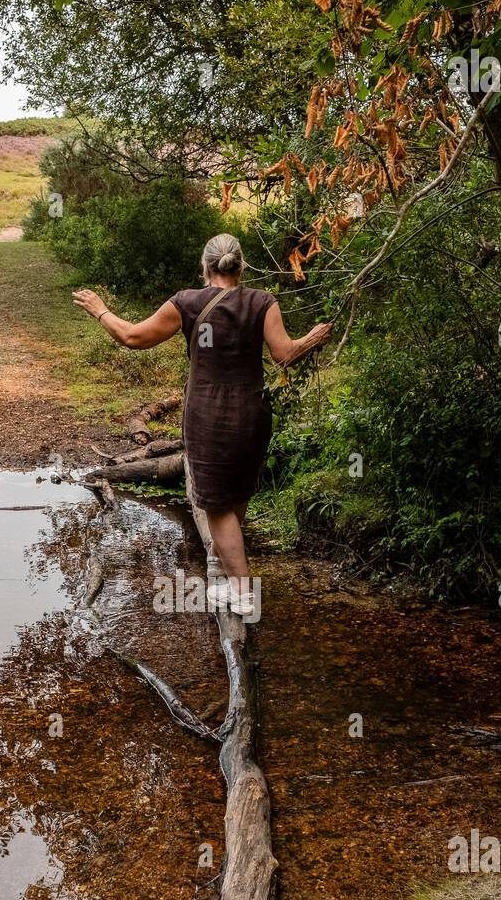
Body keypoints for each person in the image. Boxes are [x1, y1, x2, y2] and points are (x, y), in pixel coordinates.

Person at [73, 233, 332, 616]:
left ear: (205, 266)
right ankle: (225, 574)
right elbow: (285, 355)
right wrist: (312, 337)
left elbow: (132, 337)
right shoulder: (263, 302)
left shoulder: (187, 302)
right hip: (253, 414)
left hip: (209, 415)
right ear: (241, 266)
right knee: (235, 494)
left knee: (215, 505)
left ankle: (243, 593)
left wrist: (99, 309)